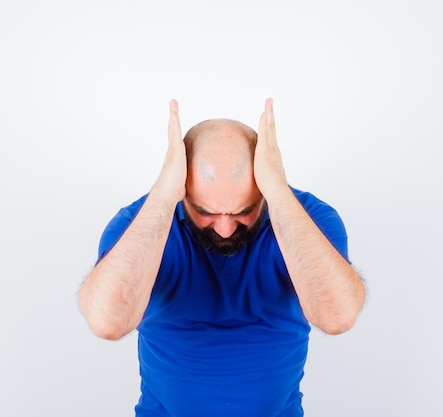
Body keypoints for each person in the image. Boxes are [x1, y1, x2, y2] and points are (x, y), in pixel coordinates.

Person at [79, 98, 366, 416]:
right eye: (205, 212)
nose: (226, 229)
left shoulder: (307, 218)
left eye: (244, 210)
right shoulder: (141, 222)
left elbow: (337, 316)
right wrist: (161, 196)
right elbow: (107, 322)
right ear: (182, 186)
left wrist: (279, 192)